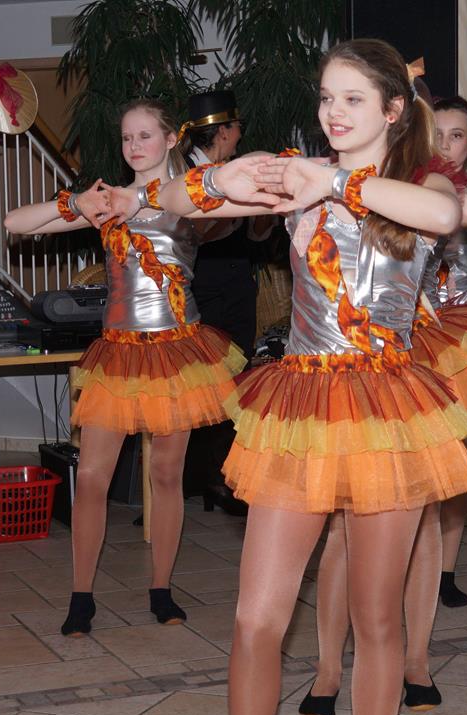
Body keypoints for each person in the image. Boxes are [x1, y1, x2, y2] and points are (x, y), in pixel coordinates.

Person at [99, 39, 467, 715]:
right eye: (326, 98)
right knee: (255, 617)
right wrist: (222, 180)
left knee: (377, 620)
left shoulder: (424, 182)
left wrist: (331, 182)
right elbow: (169, 200)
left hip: (388, 411)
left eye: (352, 99)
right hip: (302, 404)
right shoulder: (295, 177)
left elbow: (447, 219)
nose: (332, 113)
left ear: (393, 110)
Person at [300, 94, 467, 715]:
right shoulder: (370, 180)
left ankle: (416, 661)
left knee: (429, 509)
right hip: (369, 359)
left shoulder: (443, 190)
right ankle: (328, 667)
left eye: (457, 135)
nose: (445, 144)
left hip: (439, 355)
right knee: (341, 520)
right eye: (437, 132)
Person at [3, 100, 247, 636]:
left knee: (165, 474)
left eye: (145, 136)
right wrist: (75, 202)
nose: (134, 146)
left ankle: (161, 589)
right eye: (126, 138)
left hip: (178, 353)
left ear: (170, 140)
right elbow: (14, 222)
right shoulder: (108, 201)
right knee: (91, 477)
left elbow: (240, 205)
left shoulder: (185, 197)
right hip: (117, 354)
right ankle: (81, 597)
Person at [180, 89, 262, 517]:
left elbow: (256, 238)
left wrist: (264, 215)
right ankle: (196, 478)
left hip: (238, 289)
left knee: (236, 384)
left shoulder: (238, 173)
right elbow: (192, 235)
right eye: (236, 128)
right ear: (224, 132)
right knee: (203, 387)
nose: (240, 136)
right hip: (200, 292)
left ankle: (223, 478)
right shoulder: (181, 176)